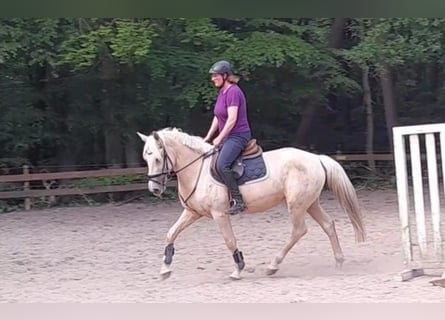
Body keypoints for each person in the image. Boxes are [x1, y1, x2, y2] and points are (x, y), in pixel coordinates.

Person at [203, 60, 252, 215]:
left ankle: (239, 201)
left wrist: (219, 138)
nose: (213, 79)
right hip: (228, 136)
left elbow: (231, 119)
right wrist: (208, 136)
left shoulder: (233, 92)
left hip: (238, 135)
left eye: (216, 75)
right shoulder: (222, 93)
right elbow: (218, 117)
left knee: (223, 164)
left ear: (225, 76)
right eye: (213, 76)